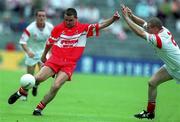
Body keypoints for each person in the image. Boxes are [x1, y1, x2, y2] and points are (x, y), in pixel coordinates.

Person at [8, 8, 120, 116]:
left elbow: (100, 25)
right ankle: (20, 92)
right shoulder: (58, 28)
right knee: (38, 78)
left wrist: (113, 19)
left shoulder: (83, 29)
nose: (68, 22)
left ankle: (39, 108)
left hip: (69, 64)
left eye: (70, 20)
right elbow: (49, 43)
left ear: (76, 18)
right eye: (66, 20)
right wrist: (43, 57)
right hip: (55, 60)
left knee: (56, 86)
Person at [121, 4, 180, 119]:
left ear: (155, 28)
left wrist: (126, 19)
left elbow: (140, 33)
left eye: (149, 28)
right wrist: (131, 15)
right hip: (171, 66)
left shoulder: (160, 40)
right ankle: (150, 113)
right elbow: (143, 23)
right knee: (152, 83)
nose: (147, 29)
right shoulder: (160, 29)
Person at [18, 10, 54, 100]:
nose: (41, 17)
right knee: (29, 75)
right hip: (32, 53)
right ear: (36, 17)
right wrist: (28, 51)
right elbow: (22, 42)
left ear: (45, 17)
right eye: (39, 16)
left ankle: (35, 85)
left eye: (43, 16)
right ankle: (24, 94)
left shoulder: (50, 27)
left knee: (42, 74)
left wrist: (51, 52)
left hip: (43, 54)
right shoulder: (30, 28)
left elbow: (55, 40)